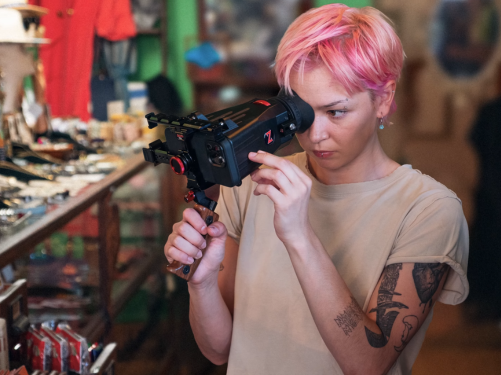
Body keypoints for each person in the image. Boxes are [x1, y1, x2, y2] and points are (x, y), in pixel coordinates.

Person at [164, 4, 469, 375]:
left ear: (384, 98)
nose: (315, 134)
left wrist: (298, 235)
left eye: (336, 112)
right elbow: (219, 350)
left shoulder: (429, 210)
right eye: (302, 116)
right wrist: (202, 283)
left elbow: (368, 364)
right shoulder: (252, 184)